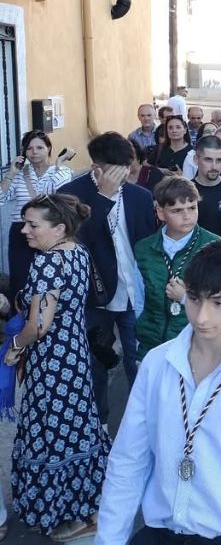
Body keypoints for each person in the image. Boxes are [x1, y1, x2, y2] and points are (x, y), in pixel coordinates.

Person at [95, 240, 221, 545]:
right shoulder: (157, 363)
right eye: (194, 299)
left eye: (218, 303)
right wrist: (109, 540)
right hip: (160, 535)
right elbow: (129, 460)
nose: (202, 317)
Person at [7, 193, 110, 541]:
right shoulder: (76, 252)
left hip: (52, 363)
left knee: (52, 433)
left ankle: (77, 514)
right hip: (74, 357)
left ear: (59, 228)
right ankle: (86, 507)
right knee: (76, 430)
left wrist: (14, 347)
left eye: (32, 225)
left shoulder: (47, 262)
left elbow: (38, 326)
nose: (25, 230)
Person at [60, 132, 156, 426]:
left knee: (138, 359)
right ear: (97, 168)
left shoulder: (140, 196)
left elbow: (148, 244)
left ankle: (144, 423)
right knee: (95, 363)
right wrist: (102, 198)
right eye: (118, 169)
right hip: (94, 296)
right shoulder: (71, 195)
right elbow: (75, 241)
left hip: (134, 292)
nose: (125, 174)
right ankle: (98, 424)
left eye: (128, 167)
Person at [133, 177, 220, 359]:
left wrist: (186, 298)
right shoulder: (144, 249)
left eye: (192, 208)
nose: (187, 216)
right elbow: (138, 300)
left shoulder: (215, 247)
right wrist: (140, 336)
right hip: (151, 345)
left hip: (196, 347)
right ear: (160, 212)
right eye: (177, 210)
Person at [1, 130, 73, 300]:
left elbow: (61, 193)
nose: (34, 152)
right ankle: (20, 312)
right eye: (29, 148)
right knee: (20, 278)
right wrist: (11, 173)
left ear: (48, 148)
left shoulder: (61, 171)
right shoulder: (19, 174)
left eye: (40, 147)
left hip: (50, 231)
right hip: (22, 229)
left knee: (49, 276)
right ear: (24, 152)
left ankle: (47, 313)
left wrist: (59, 163)